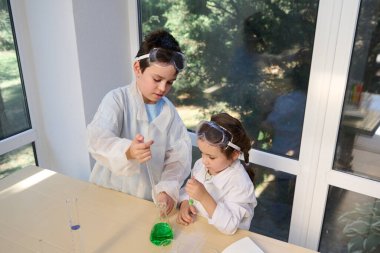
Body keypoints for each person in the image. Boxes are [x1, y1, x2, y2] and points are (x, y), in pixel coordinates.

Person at [87, 29, 192, 214]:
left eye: (170, 82)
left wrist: (167, 191)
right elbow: (97, 138)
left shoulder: (170, 114)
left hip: (146, 203)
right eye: (157, 79)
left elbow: (177, 160)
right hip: (109, 196)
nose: (163, 88)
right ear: (137, 68)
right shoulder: (117, 100)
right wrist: (127, 150)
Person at [176, 113, 257, 235]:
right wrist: (185, 203)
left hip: (225, 240)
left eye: (211, 157)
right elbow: (189, 193)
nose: (203, 160)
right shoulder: (202, 165)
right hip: (200, 232)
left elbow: (230, 226)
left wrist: (204, 197)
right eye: (202, 153)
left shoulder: (240, 184)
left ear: (234, 155)